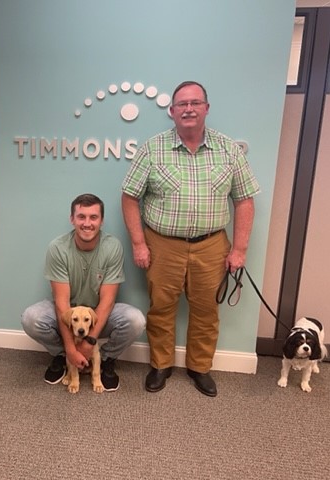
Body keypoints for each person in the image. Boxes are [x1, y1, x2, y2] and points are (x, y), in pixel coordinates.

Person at [121, 81, 260, 397]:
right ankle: (160, 365)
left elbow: (245, 200)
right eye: (182, 104)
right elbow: (129, 197)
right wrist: (139, 243)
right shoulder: (152, 149)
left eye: (195, 102)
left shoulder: (228, 150)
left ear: (206, 108)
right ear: (171, 112)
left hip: (211, 245)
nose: (188, 109)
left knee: (206, 310)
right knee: (161, 307)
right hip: (162, 244)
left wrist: (239, 249)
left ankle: (199, 367)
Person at [22, 193, 145, 392]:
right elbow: (62, 304)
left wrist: (89, 342)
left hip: (96, 315)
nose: (87, 223)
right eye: (81, 217)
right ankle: (64, 357)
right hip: (69, 315)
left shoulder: (112, 247)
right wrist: (71, 348)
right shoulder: (58, 248)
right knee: (31, 318)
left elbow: (108, 301)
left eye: (93, 217)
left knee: (135, 320)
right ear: (72, 219)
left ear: (102, 221)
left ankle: (104, 359)